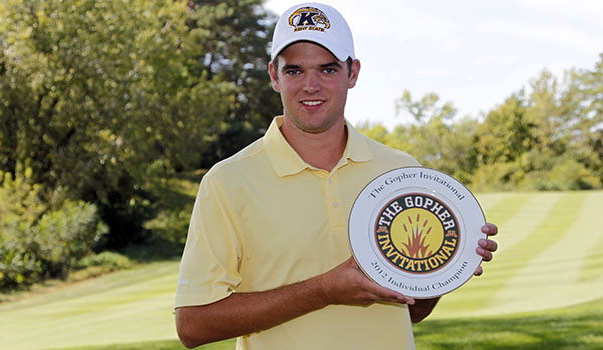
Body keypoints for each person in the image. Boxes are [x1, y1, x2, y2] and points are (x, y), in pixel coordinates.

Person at [174, 3, 498, 349]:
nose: (310, 86)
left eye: (327, 69)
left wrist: (449, 266)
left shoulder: (402, 171)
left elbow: (414, 309)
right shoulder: (228, 181)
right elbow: (194, 325)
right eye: (294, 71)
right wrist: (323, 291)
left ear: (352, 73)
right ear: (273, 75)